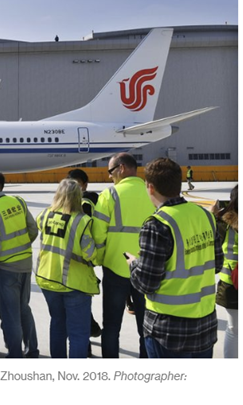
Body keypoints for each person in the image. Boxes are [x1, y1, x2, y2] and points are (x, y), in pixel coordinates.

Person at [128, 157, 222, 358]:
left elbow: (146, 283)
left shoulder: (157, 224)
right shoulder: (205, 215)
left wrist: (134, 264)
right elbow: (217, 264)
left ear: (150, 187)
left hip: (168, 330)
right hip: (205, 325)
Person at [92, 152, 155, 358]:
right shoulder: (152, 192)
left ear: (121, 168)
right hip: (146, 268)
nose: (109, 176)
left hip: (115, 268)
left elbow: (98, 234)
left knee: (111, 326)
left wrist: (100, 259)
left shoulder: (109, 195)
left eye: (111, 171)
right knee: (146, 326)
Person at [35, 179, 101, 358]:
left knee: (57, 325)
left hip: (47, 278)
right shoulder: (82, 221)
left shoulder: (44, 214)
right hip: (74, 284)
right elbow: (91, 254)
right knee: (78, 333)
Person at [0, 171, 39, 358]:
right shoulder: (18, 201)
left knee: (9, 315)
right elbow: (33, 229)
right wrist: (22, 246)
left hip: (4, 268)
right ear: (0, 186)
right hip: (25, 263)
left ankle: (15, 354)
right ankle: (32, 350)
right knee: (24, 309)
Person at [66, 168, 102, 345]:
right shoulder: (70, 203)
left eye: (78, 185)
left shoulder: (86, 202)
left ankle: (87, 336)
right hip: (81, 258)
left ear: (85, 185)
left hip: (83, 257)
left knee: (79, 301)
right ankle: (90, 328)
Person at [213, 185, 238, 358]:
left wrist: (214, 215)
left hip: (231, 283)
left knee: (233, 329)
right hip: (232, 283)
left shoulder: (224, 222)